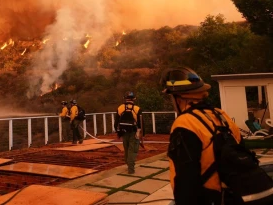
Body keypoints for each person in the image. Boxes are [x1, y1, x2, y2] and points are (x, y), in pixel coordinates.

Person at [161, 67, 273, 205]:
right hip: (241, 193)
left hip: (216, 198)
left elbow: (185, 180)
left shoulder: (185, 123)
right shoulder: (221, 115)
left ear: (177, 98)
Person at [114, 91, 142, 174]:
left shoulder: (120, 108)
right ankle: (131, 169)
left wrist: (118, 132)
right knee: (132, 150)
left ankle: (128, 164)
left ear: (125, 99)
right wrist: (140, 133)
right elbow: (140, 123)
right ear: (134, 99)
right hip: (134, 132)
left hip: (124, 132)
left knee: (126, 149)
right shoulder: (137, 109)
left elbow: (116, 123)